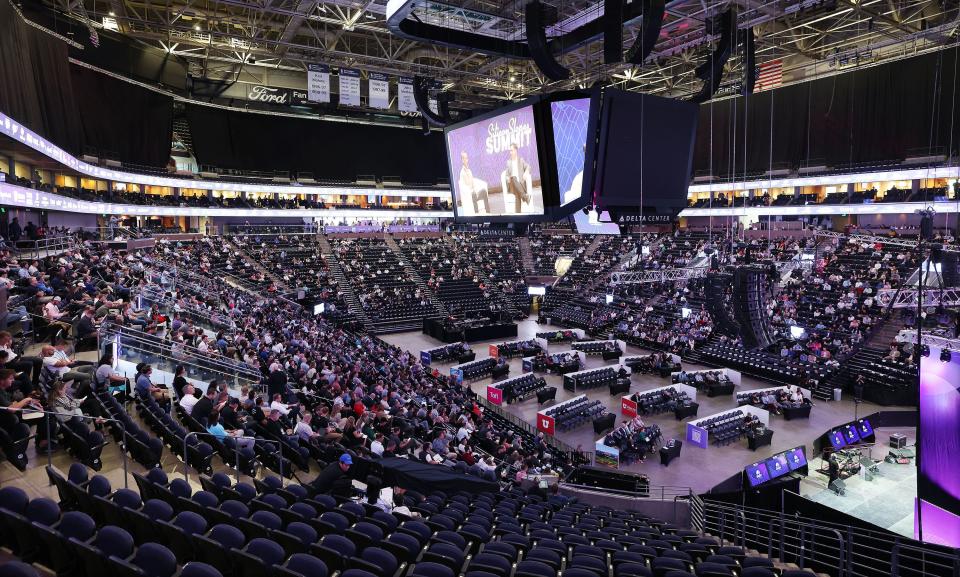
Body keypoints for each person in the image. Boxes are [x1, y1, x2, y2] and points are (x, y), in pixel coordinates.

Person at [501, 143, 531, 213]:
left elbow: (528, 167)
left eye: (511, 150)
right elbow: (507, 175)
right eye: (510, 151)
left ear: (515, 151)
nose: (510, 152)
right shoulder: (508, 162)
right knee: (513, 178)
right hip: (511, 185)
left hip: (520, 185)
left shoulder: (521, 160)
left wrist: (526, 172)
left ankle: (518, 215)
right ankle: (525, 196)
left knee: (517, 196)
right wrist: (507, 178)